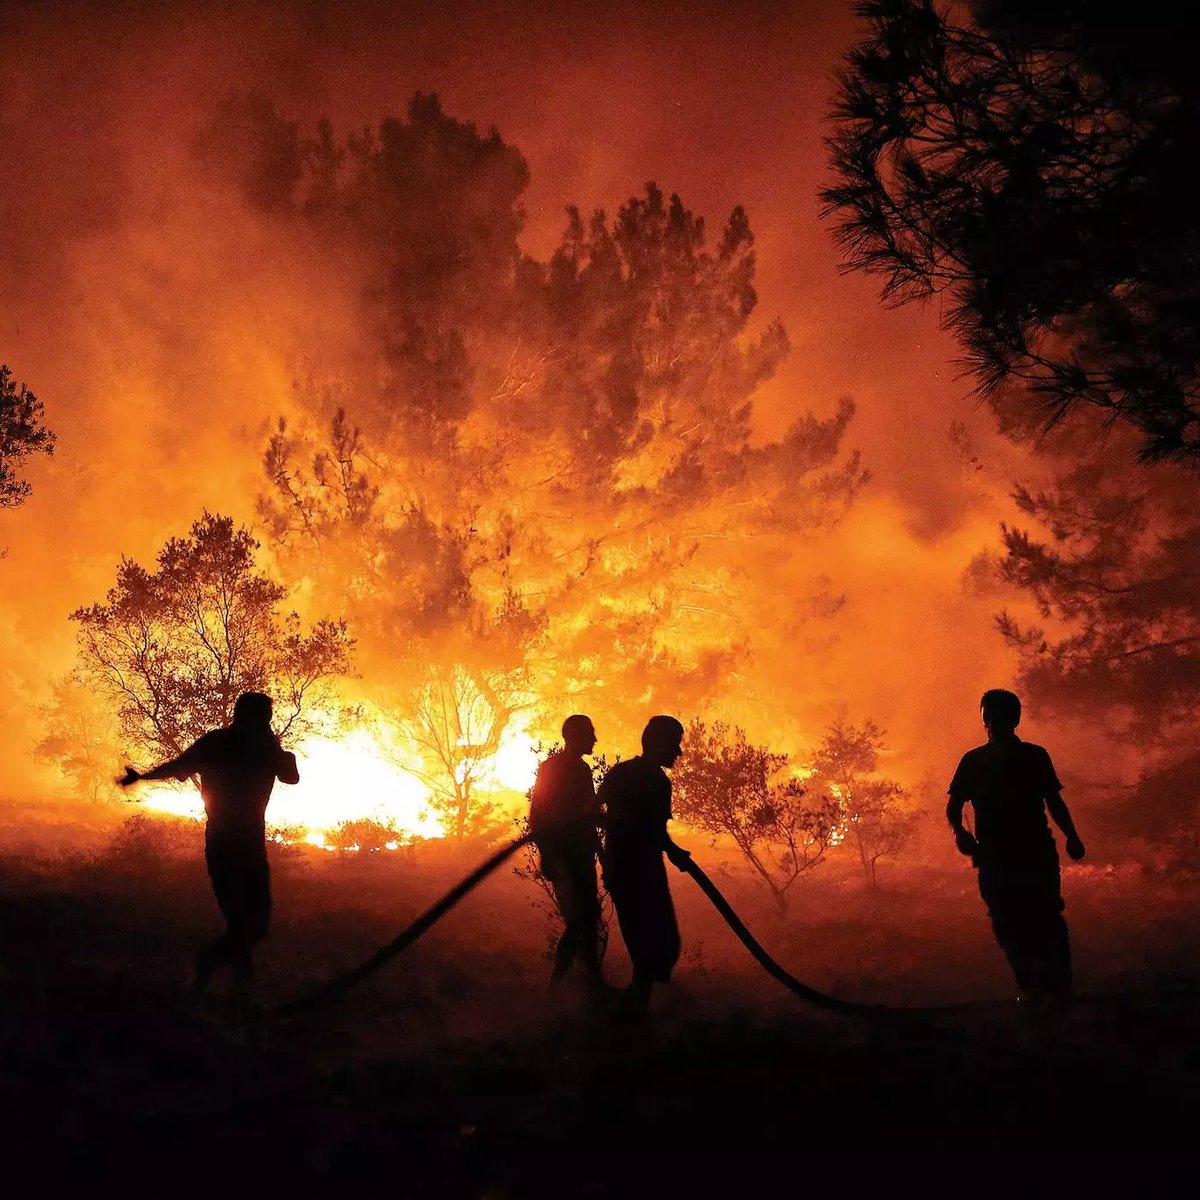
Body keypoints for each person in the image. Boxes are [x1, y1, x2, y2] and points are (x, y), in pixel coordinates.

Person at [119, 691, 299, 998]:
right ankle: (215, 974)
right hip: (241, 848)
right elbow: (291, 775)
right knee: (251, 926)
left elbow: (178, 766)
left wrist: (143, 778)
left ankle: (230, 991)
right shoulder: (262, 749)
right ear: (262, 719)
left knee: (241, 925)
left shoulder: (219, 743)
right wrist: (278, 749)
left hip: (226, 846)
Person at [947, 688, 1085, 1012]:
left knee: (1046, 917)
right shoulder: (973, 761)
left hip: (1035, 852)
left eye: (997, 716)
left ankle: (1059, 989)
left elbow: (1054, 802)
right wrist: (960, 833)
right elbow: (953, 805)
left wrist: (1072, 836)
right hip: (994, 857)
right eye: (987, 717)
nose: (991, 723)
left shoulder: (1034, 757)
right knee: (1006, 923)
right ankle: (1033, 989)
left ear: (1015, 719)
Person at [598, 715, 691, 1015]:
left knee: (652, 944)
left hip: (628, 870)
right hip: (638, 872)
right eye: (675, 744)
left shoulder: (623, 773)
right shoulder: (655, 782)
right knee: (657, 944)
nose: (678, 752)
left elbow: (593, 811)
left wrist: (673, 851)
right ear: (658, 743)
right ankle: (629, 1014)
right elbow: (650, 830)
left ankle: (632, 1009)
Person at [528, 714, 606, 998]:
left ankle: (591, 983)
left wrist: (601, 853)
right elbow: (537, 814)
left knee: (588, 918)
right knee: (579, 921)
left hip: (580, 855)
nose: (595, 740)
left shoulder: (582, 770)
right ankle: (559, 988)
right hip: (564, 857)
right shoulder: (552, 769)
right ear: (574, 737)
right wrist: (548, 855)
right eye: (590, 734)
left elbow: (588, 816)